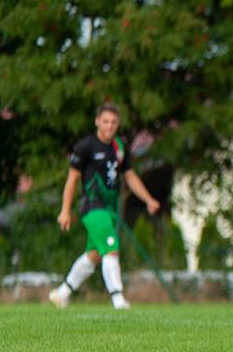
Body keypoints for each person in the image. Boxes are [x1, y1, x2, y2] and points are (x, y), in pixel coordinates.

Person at [49, 102, 161, 310]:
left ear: (118, 124)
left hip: (109, 208)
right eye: (106, 122)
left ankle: (62, 293)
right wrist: (65, 210)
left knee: (95, 255)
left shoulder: (119, 148)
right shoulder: (85, 147)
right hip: (92, 207)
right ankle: (118, 299)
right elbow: (72, 179)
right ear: (97, 122)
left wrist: (148, 199)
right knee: (111, 247)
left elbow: (130, 176)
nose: (109, 126)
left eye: (114, 122)